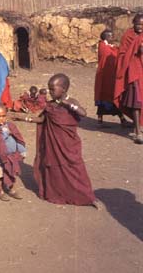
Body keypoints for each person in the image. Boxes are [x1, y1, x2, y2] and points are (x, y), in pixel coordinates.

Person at [29, 73, 100, 208]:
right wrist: (24, 118)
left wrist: (68, 104)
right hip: (54, 144)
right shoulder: (50, 105)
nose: (50, 92)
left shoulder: (71, 102)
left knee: (75, 168)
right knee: (54, 168)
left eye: (52, 89)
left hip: (68, 144)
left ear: (63, 89)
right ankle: (55, 194)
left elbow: (83, 113)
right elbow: (42, 119)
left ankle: (87, 197)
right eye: (49, 89)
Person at [0, 102, 26, 201]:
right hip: (0, 157)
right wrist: (4, 134)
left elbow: (18, 137)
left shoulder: (10, 126)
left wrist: (22, 150)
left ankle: (11, 189)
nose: (1, 118)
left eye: (3, 116)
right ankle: (0, 191)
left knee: (11, 171)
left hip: (12, 155)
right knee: (0, 174)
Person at [114, 13, 143, 144]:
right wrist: (136, 50)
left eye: (142, 25)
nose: (140, 27)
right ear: (133, 23)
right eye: (138, 24)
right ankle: (137, 132)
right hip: (132, 71)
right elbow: (122, 54)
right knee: (136, 102)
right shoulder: (128, 36)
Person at [94, 29, 128, 126]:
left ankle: (121, 119)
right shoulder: (103, 47)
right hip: (105, 78)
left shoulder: (109, 47)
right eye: (111, 36)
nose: (113, 38)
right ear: (106, 37)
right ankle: (121, 120)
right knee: (107, 98)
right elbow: (111, 55)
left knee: (112, 97)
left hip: (109, 77)